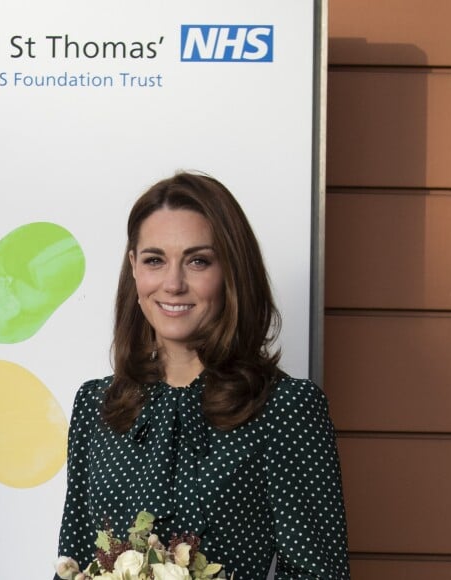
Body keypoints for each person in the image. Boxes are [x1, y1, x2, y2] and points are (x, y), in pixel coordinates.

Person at [55, 171, 350, 579]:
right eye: (155, 260)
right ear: (134, 268)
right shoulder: (95, 405)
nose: (173, 284)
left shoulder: (286, 408)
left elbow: (318, 575)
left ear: (231, 270)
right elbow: (72, 564)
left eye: (197, 261)